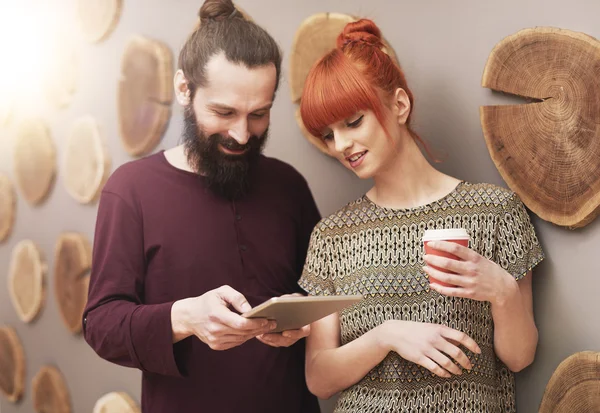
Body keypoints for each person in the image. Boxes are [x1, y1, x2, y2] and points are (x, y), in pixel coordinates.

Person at [82, 1, 321, 412]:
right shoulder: (131, 189)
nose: (242, 134)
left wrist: (304, 322)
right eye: (223, 112)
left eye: (259, 114)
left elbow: (322, 295)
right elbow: (101, 324)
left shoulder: (289, 185)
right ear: (183, 89)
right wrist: (185, 317)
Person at [297, 18, 544, 413]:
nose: (341, 144)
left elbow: (520, 357)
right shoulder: (332, 236)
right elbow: (319, 378)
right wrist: (386, 336)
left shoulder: (494, 211)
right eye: (327, 134)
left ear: (399, 104)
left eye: (353, 121)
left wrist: (502, 290)